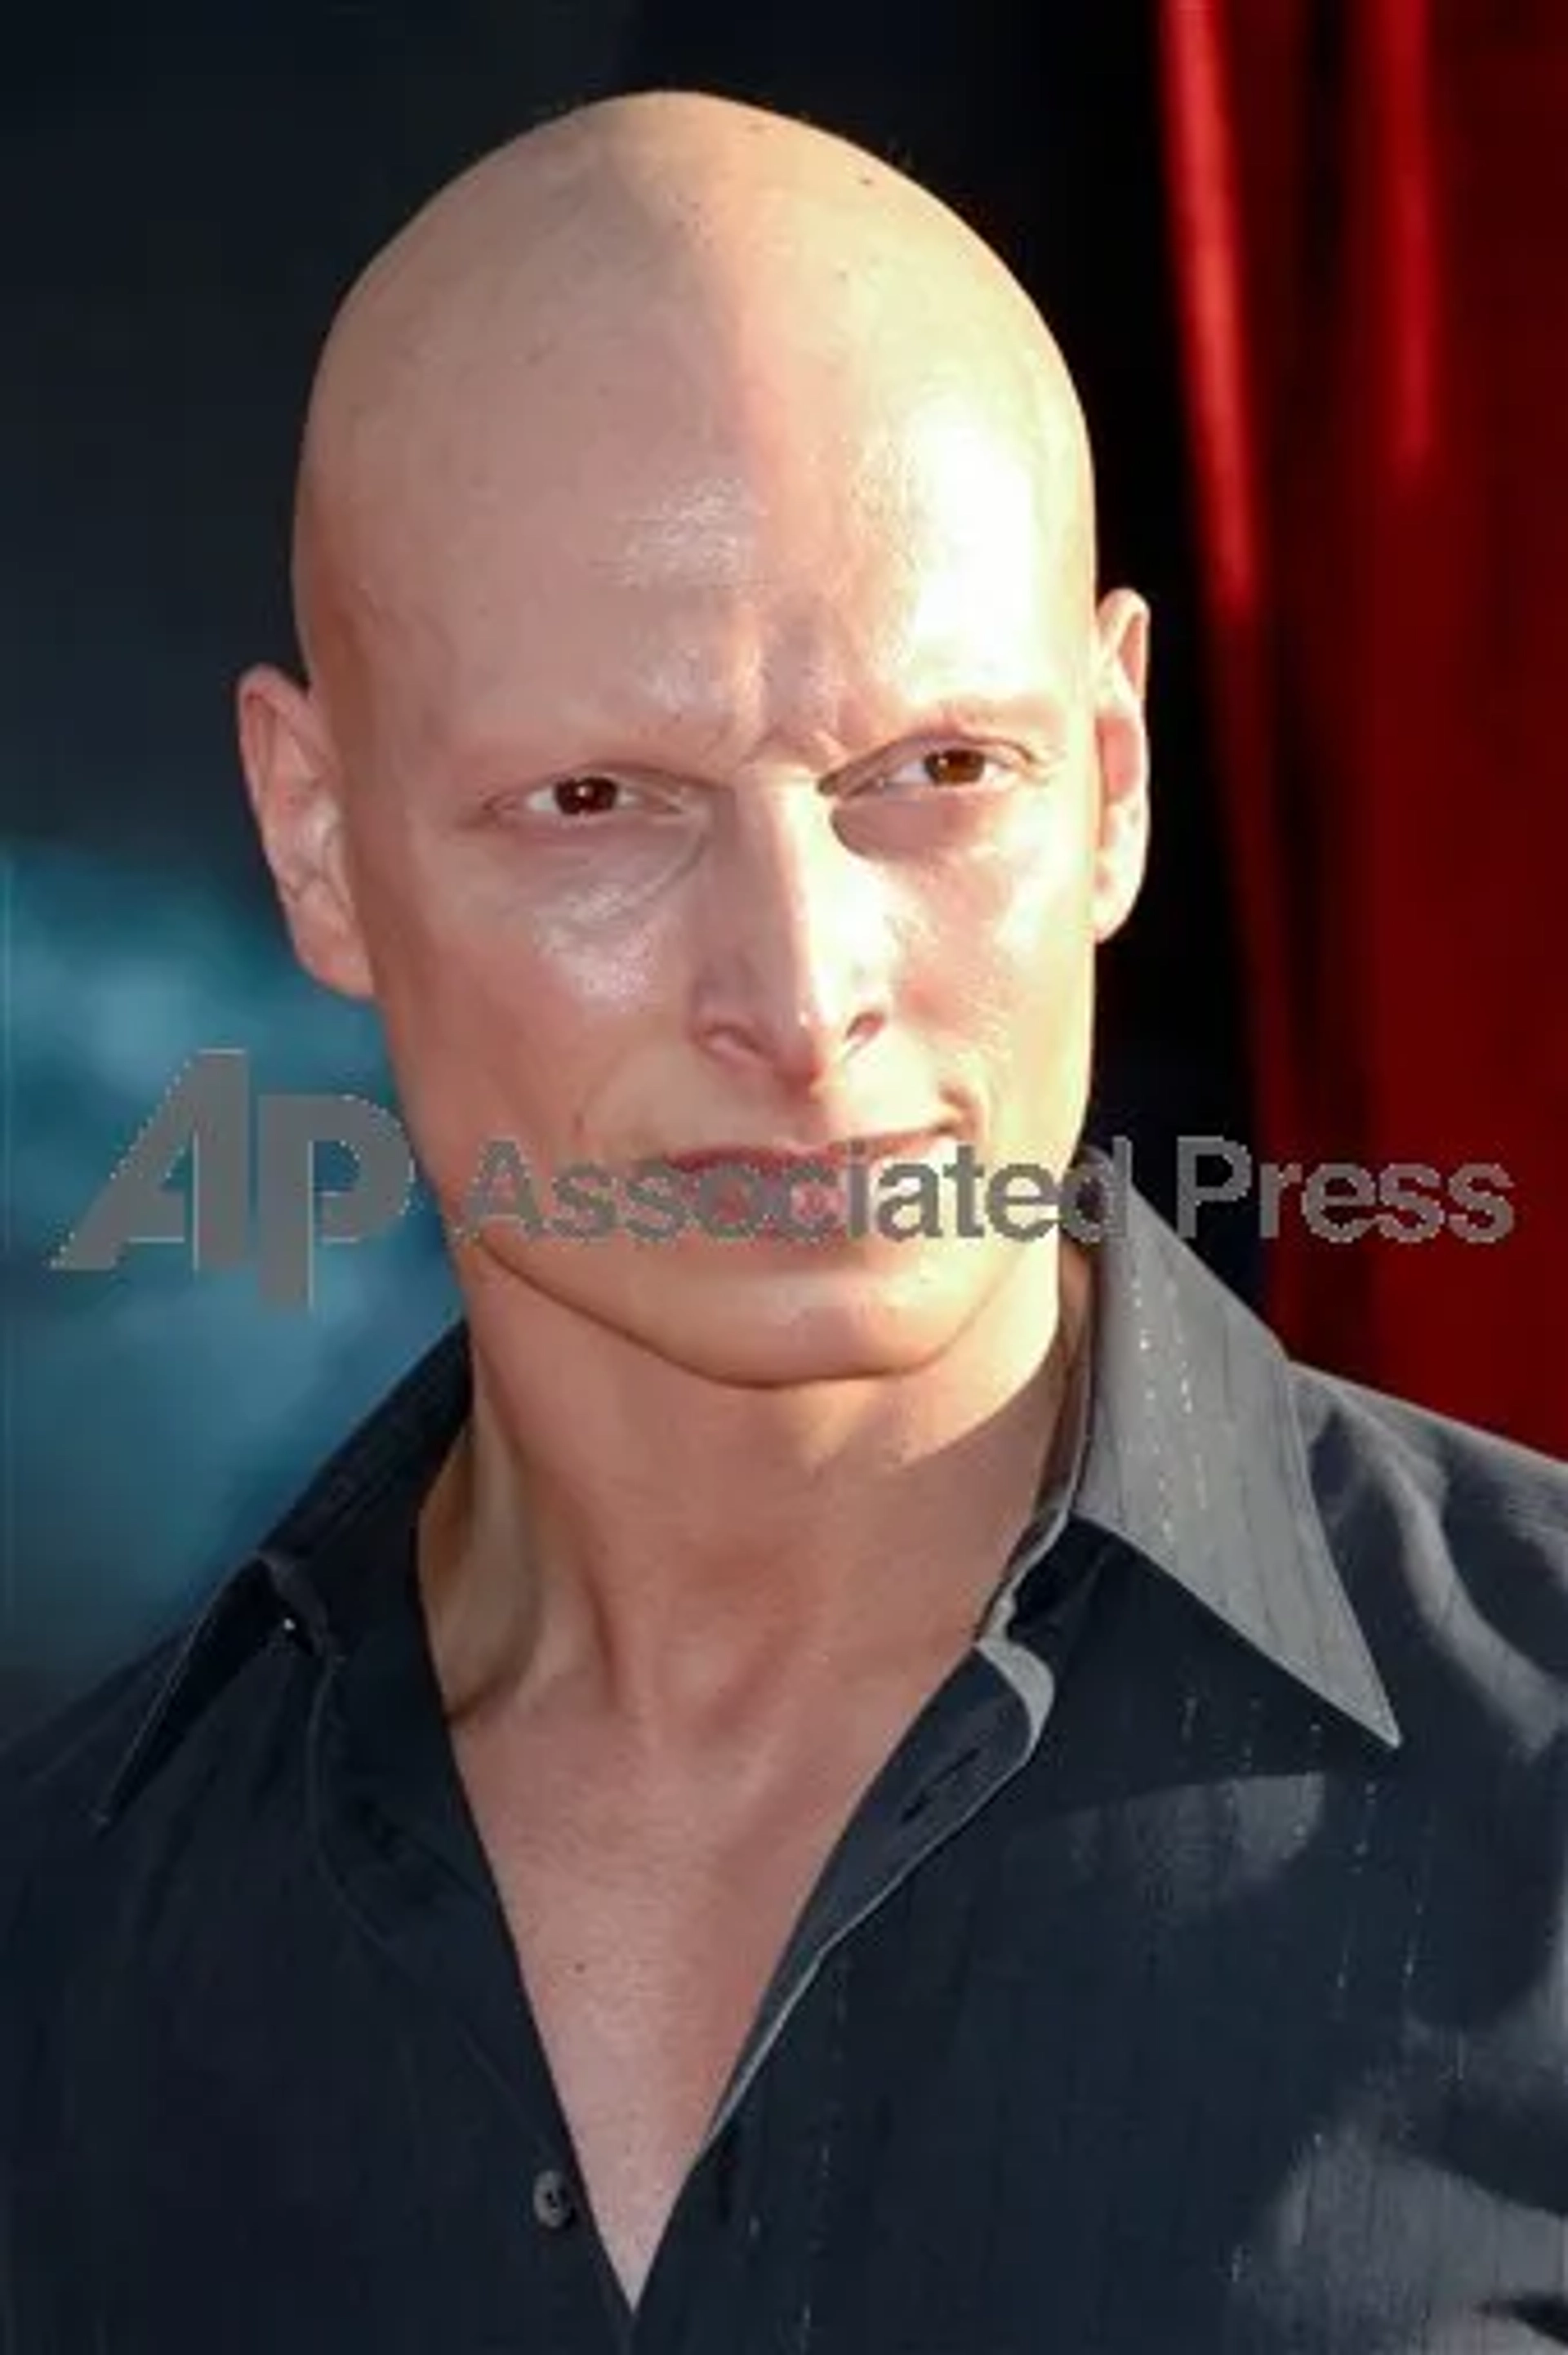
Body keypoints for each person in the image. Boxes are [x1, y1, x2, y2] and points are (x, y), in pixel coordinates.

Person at [3, 87, 1565, 2355]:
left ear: (1114, 773)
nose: (804, 998)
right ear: (318, 838)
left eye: (934, 773)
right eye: (596, 802)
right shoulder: (60, 1955)